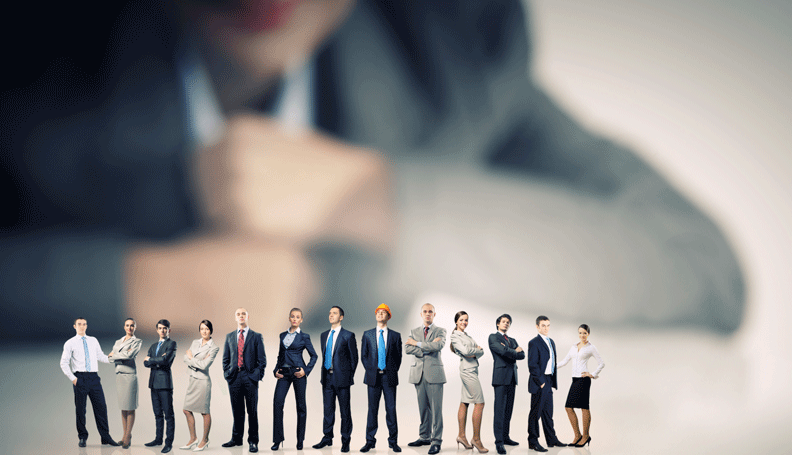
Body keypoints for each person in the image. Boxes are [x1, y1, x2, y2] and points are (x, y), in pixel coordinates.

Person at [0, 0, 745, 342]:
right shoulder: (32, 46)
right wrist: (139, 287)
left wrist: (374, 194)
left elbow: (699, 266)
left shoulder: (447, 55)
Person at [59, 317, 120, 448]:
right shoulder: (70, 343)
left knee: (101, 407)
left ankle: (105, 437)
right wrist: (74, 379)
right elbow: (63, 363)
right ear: (74, 326)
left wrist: (113, 358)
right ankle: (82, 437)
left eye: (84, 324)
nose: (82, 326)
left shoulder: (93, 340)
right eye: (79, 324)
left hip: (94, 378)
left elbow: (100, 356)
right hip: (80, 378)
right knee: (81, 410)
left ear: (86, 326)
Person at [272, 308, 318, 451]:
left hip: (298, 373)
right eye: (292, 316)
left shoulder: (304, 337)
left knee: (301, 406)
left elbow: (314, 356)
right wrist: (275, 370)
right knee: (277, 403)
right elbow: (280, 355)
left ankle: (300, 440)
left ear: (301, 320)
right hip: (284, 373)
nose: (295, 319)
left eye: (298, 317)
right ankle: (278, 440)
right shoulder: (282, 335)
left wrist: (306, 370)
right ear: (289, 318)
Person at [314, 306, 358, 453]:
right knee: (328, 410)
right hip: (327, 378)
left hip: (342, 379)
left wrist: (348, 376)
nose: (331, 315)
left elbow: (354, 359)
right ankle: (327, 437)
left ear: (341, 317)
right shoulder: (324, 335)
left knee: (345, 411)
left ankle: (345, 440)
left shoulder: (348, 335)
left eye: (334, 313)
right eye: (330, 313)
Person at [222, 307, 266, 453]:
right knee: (237, 410)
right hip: (234, 378)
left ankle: (253, 441)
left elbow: (262, 360)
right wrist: (228, 374)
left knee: (252, 411)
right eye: (238, 314)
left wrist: (256, 376)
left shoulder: (256, 336)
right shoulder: (229, 337)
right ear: (235, 318)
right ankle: (236, 439)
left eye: (243, 314)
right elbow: (225, 359)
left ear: (247, 317)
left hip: (250, 378)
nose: (241, 316)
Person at [360, 303, 403, 453]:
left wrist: (390, 371)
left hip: (389, 377)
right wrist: (372, 370)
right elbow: (364, 356)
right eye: (378, 312)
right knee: (372, 410)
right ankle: (369, 441)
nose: (380, 314)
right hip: (373, 378)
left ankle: (393, 442)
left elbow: (398, 357)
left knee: (391, 410)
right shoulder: (368, 334)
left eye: (383, 312)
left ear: (388, 316)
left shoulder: (395, 336)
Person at [405, 303, 447, 455]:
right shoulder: (414, 331)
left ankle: (436, 441)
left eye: (430, 311)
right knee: (423, 408)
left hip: (435, 374)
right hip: (418, 374)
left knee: (436, 410)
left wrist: (417, 344)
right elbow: (407, 348)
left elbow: (438, 346)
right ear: (421, 314)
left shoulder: (440, 330)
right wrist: (426, 348)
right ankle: (424, 437)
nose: (428, 314)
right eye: (425, 311)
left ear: (434, 314)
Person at [557, 324, 604, 448]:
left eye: (584, 333)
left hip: (584, 380)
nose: (582, 335)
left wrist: (592, 374)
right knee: (568, 407)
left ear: (588, 334)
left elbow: (601, 363)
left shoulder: (591, 347)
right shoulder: (573, 347)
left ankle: (586, 436)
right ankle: (577, 435)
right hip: (575, 380)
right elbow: (564, 361)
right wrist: (551, 367)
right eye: (580, 333)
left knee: (584, 407)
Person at [526, 316, 566, 452]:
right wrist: (541, 382)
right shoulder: (534, 343)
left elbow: (552, 361)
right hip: (540, 382)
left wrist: (549, 381)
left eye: (548, 325)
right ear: (537, 327)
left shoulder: (551, 341)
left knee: (548, 412)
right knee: (535, 413)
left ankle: (551, 439)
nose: (546, 328)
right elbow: (532, 365)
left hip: (549, 380)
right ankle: (533, 441)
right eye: (543, 325)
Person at [450, 311, 488, 453]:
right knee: (480, 403)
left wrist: (475, 351)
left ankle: (461, 436)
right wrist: (475, 351)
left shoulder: (467, 336)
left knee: (465, 402)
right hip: (467, 371)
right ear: (456, 321)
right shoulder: (455, 336)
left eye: (466, 320)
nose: (464, 322)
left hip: (472, 370)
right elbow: (466, 351)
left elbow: (481, 351)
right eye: (461, 320)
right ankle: (476, 439)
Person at [488, 314, 525, 454]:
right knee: (499, 411)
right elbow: (502, 351)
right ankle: (499, 442)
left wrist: (511, 351)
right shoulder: (493, 337)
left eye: (508, 322)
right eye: (504, 321)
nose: (506, 324)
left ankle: (505, 437)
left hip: (512, 378)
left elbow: (522, 355)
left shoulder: (512, 340)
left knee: (508, 410)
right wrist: (514, 351)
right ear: (498, 323)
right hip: (500, 378)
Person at [181, 319, 220, 452]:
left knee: (204, 411)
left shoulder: (214, 347)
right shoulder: (195, 342)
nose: (204, 331)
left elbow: (205, 365)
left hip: (203, 382)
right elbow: (184, 358)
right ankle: (193, 438)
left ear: (211, 331)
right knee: (186, 410)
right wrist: (195, 360)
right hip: (193, 379)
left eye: (207, 329)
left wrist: (191, 358)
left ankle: (205, 439)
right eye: (202, 329)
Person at [143, 319, 178, 454]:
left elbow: (166, 361)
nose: (162, 330)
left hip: (164, 384)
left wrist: (152, 360)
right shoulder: (153, 346)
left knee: (168, 415)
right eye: (160, 328)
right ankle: (158, 439)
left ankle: (168, 443)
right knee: (157, 414)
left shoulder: (172, 344)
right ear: (157, 330)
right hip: (153, 384)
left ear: (169, 330)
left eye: (165, 328)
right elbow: (145, 363)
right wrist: (157, 361)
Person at [108, 317, 143, 449]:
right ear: (124, 327)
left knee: (130, 406)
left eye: (132, 325)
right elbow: (109, 358)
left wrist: (116, 355)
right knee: (123, 406)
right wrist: (120, 354)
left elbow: (129, 356)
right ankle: (124, 435)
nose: (129, 328)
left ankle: (128, 436)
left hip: (129, 376)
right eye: (127, 325)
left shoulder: (137, 342)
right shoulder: (118, 341)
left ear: (135, 327)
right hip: (119, 376)